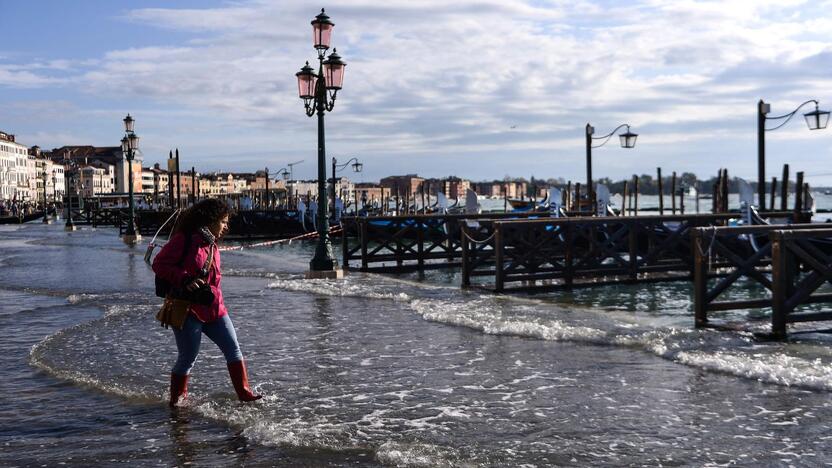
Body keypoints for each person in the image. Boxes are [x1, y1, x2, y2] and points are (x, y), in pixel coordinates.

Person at [152, 198, 262, 407]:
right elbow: (159, 264)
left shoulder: (212, 244)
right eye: (223, 221)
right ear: (211, 220)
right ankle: (176, 402)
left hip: (215, 308)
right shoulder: (183, 240)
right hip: (187, 309)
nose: (226, 227)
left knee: (234, 349)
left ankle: (245, 394)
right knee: (187, 358)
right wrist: (184, 279)